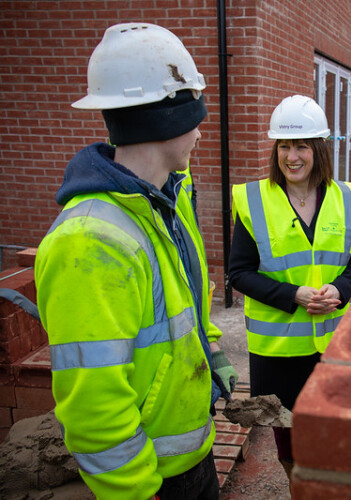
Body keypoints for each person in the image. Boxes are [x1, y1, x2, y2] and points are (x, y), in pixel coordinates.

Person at [34, 23, 238, 499]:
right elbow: (94, 409)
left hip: (192, 455)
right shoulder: (91, 242)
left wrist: (211, 351)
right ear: (165, 121)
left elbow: (183, 305)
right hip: (152, 481)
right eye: (195, 116)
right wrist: (135, 492)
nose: (200, 131)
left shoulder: (167, 199)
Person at [228, 95, 351, 478]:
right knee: (287, 439)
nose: (292, 156)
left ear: (318, 149)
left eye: (301, 146)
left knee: (327, 433)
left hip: (330, 345)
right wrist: (294, 295)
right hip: (276, 352)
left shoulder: (345, 198)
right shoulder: (253, 200)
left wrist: (340, 289)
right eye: (284, 146)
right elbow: (238, 272)